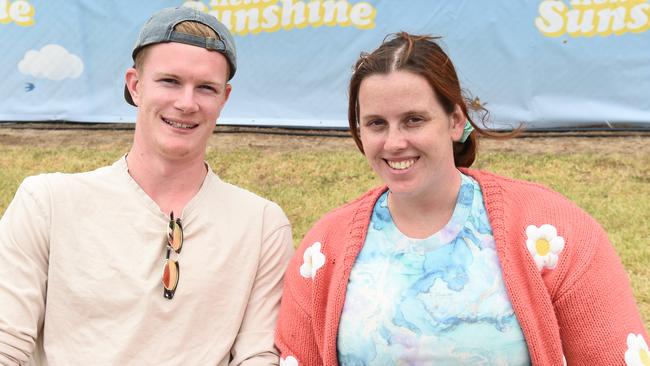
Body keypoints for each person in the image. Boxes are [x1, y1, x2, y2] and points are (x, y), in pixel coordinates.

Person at [275, 32, 648, 365]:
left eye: (414, 120)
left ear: (455, 121)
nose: (393, 142)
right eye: (376, 123)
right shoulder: (323, 251)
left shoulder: (555, 232)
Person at [0, 7, 293, 365]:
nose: (186, 103)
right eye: (170, 81)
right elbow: (6, 343)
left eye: (205, 88)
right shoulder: (46, 203)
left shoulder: (262, 224)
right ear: (135, 86)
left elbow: (259, 355)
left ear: (224, 99)